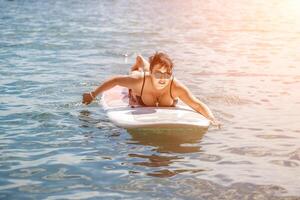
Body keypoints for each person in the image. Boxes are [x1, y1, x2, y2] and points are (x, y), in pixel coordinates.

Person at [82, 52, 220, 126]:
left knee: (158, 74)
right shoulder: (140, 81)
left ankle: (145, 63)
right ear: (152, 73)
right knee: (136, 73)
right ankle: (140, 63)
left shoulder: (175, 86)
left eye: (167, 74)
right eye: (158, 73)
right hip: (143, 81)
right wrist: (93, 94)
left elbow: (197, 104)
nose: (163, 78)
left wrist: (212, 119)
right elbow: (116, 80)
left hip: (150, 75)